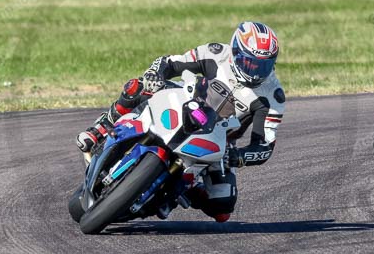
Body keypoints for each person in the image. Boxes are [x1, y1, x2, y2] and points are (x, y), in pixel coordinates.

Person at [76, 22, 286, 222]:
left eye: (264, 65)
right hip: (184, 102)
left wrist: (238, 156)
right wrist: (155, 74)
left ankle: (182, 189)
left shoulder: (272, 96)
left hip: (217, 139)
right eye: (250, 62)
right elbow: (169, 63)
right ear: (235, 51)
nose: (256, 70)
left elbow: (265, 146)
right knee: (138, 87)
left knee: (223, 208)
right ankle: (99, 129)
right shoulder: (216, 53)